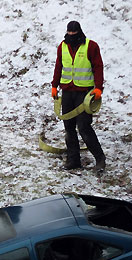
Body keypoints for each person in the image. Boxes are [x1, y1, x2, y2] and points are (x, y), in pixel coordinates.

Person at [51, 21, 106, 172]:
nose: (71, 37)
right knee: (69, 127)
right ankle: (73, 160)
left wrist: (99, 88)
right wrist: (54, 85)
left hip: (84, 93)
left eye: (74, 35)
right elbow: (58, 66)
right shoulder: (62, 46)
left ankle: (100, 158)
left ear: (80, 33)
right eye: (69, 34)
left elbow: (98, 67)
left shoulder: (91, 46)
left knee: (84, 127)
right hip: (67, 91)